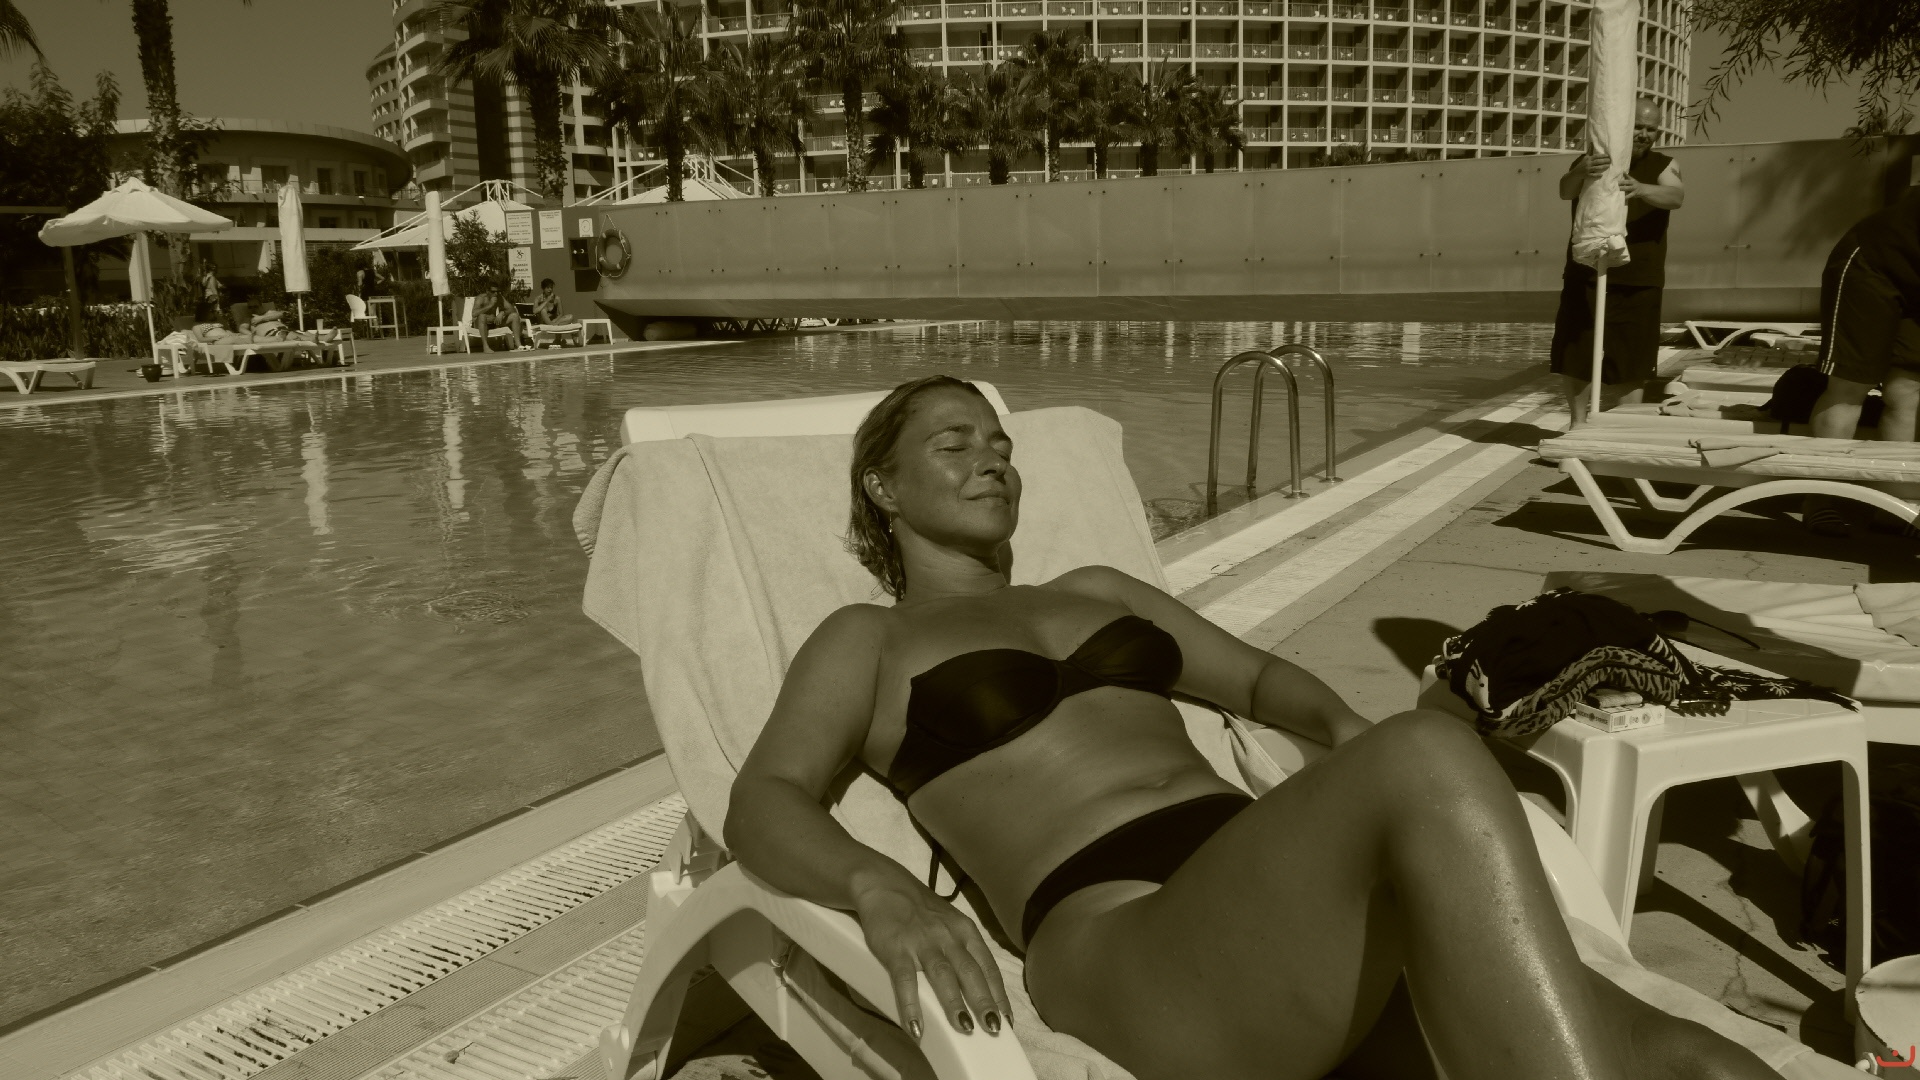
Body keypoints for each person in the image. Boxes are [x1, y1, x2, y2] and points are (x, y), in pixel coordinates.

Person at [726, 375, 1776, 1080]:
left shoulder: (1098, 590)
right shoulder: (868, 639)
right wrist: (883, 890)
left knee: (1708, 1067)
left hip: (1283, 907)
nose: (991, 460)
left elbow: (1265, 681)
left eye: (1000, 445)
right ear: (883, 487)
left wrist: (1345, 726)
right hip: (1123, 936)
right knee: (1427, 750)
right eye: (953, 445)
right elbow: (764, 797)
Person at [1549, 98, 1686, 426]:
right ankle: (1577, 424)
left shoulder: (1665, 165)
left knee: (1633, 359)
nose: (1644, 134)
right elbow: (1565, 191)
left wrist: (1640, 189)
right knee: (1577, 353)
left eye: (1651, 129)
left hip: (1639, 279)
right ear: (1624, 126)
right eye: (1638, 127)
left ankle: (1624, 426)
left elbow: (1676, 196)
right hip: (1586, 272)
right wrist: (1580, 171)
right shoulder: (1591, 159)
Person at [1803, 188, 1920, 535]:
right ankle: (1819, 499)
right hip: (1871, 263)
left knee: (1908, 390)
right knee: (1849, 387)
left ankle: (1896, 504)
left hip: (1914, 276)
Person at [472, 283, 526, 350]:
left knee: (515, 316)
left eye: (497, 291)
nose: (496, 294)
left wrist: (502, 313)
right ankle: (485, 346)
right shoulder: (480, 298)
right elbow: (474, 314)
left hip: (494, 323)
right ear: (487, 291)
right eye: (493, 292)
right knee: (482, 316)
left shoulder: (499, 297)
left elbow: (512, 309)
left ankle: (518, 344)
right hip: (480, 324)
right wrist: (490, 305)